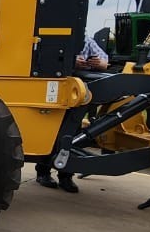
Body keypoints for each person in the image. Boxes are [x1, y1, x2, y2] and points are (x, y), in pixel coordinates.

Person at [37, 34, 110, 193]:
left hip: (79, 96)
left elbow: (105, 62)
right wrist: (71, 62)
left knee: (72, 136)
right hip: (58, 92)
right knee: (52, 133)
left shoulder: (87, 40)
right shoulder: (56, 39)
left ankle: (66, 176)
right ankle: (43, 173)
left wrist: (99, 63)